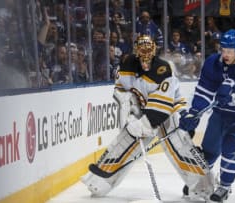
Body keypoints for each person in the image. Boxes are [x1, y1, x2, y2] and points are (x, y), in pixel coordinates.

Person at [81, 35, 210, 199]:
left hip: (168, 110)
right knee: (123, 142)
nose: (145, 58)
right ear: (136, 51)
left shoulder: (163, 68)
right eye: (142, 52)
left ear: (154, 50)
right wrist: (129, 107)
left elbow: (161, 107)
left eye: (149, 51)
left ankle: (204, 186)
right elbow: (120, 90)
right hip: (143, 111)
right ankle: (98, 181)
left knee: (180, 147)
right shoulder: (128, 64)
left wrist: (144, 124)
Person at [179, 29, 235, 202]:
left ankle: (225, 187)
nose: (225, 54)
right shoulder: (213, 63)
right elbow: (204, 92)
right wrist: (194, 114)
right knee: (209, 151)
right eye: (223, 49)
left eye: (230, 51)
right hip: (222, 113)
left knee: (230, 146)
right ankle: (201, 181)